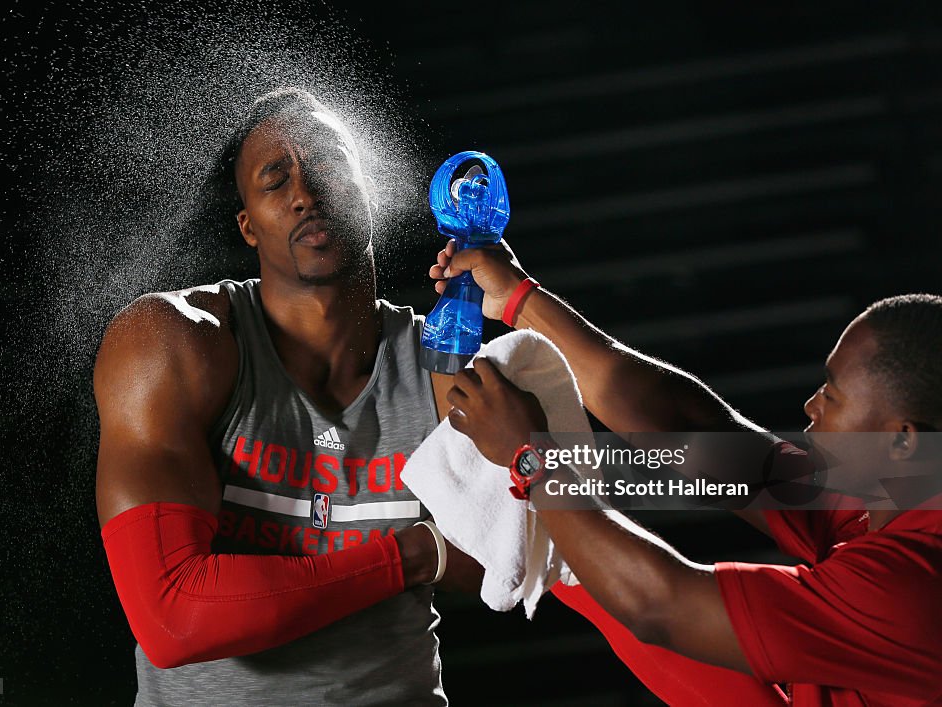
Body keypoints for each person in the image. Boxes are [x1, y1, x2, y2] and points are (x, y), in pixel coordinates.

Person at [92, 87, 481, 706]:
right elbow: (175, 619)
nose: (305, 192)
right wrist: (415, 554)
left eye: (326, 163)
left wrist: (523, 302)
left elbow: (549, 550)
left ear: (370, 189)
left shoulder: (445, 363)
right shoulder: (172, 345)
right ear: (247, 225)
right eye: (275, 180)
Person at [430, 239, 942, 706]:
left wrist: (532, 458)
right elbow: (693, 431)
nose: (811, 407)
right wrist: (519, 300)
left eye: (832, 395)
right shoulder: (889, 495)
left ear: (903, 439)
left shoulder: (910, 588)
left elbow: (659, 605)